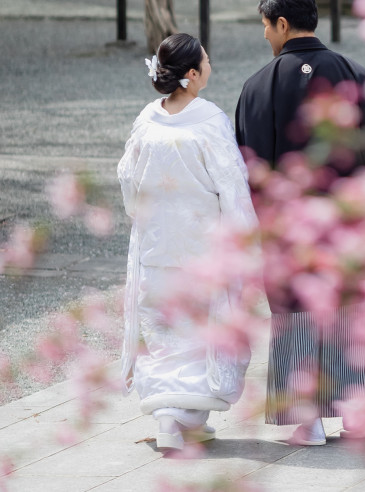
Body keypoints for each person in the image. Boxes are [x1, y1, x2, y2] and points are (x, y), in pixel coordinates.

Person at [235, 0, 365, 448]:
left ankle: (306, 421)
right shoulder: (357, 74)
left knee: (297, 314)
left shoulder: (255, 89)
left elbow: (249, 172)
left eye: (266, 27)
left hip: (289, 232)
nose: (265, 36)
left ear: (283, 24)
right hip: (351, 227)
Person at [118, 33, 257, 454]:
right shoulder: (209, 120)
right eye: (207, 61)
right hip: (202, 246)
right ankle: (188, 416)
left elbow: (127, 177)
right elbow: (232, 183)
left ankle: (170, 419)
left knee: (163, 328)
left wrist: (144, 216)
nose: (211, 66)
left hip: (157, 245)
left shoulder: (147, 119)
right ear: (192, 74)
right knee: (201, 331)